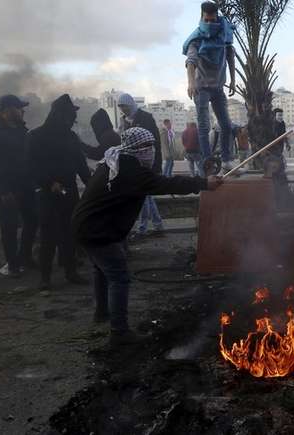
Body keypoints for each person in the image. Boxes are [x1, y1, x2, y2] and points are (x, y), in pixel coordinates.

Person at [72, 127, 222, 345]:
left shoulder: (117, 161)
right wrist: (203, 183)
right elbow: (166, 184)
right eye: (147, 147)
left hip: (87, 225)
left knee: (101, 270)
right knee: (119, 277)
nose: (151, 151)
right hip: (98, 230)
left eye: (153, 146)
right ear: (137, 149)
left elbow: (160, 181)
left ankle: (102, 313)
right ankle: (119, 332)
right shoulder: (129, 171)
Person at [28, 94, 91, 289]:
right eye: (71, 116)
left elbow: (81, 164)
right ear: (60, 115)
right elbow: (32, 166)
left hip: (69, 191)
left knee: (70, 233)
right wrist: (49, 182)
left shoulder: (71, 137)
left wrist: (91, 183)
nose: (73, 120)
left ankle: (71, 272)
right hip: (47, 193)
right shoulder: (36, 136)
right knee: (48, 235)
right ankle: (45, 278)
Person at [0, 95, 38, 278]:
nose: (22, 111)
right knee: (10, 225)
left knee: (32, 220)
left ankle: (25, 256)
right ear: (6, 111)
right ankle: (13, 264)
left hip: (26, 185)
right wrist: (3, 190)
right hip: (7, 188)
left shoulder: (23, 131)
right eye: (18, 108)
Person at [183, 1, 237, 174]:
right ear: (202, 17)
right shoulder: (197, 37)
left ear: (216, 17)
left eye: (212, 20)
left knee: (227, 125)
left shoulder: (224, 32)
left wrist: (233, 80)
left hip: (218, 87)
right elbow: (190, 61)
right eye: (206, 20)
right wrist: (191, 83)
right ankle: (208, 163)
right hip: (202, 88)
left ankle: (227, 160)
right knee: (204, 126)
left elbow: (230, 55)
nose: (210, 24)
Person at [117, 93, 165, 237]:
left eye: (124, 106)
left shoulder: (146, 118)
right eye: (121, 107)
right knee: (146, 195)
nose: (123, 110)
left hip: (146, 163)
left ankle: (143, 228)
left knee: (142, 196)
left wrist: (157, 165)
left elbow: (155, 142)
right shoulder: (123, 121)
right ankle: (157, 225)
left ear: (130, 104)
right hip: (133, 164)